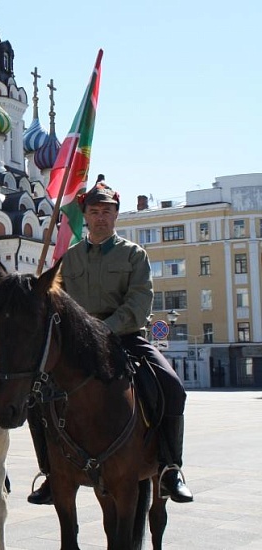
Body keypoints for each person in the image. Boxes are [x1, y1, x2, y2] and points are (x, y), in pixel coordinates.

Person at [26, 178, 193, 505]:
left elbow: (139, 302)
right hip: (80, 348)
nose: (101, 217)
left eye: (107, 211)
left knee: (172, 388)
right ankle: (50, 472)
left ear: (116, 216)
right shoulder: (69, 260)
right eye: (94, 211)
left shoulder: (133, 255)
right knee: (37, 396)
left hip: (126, 339)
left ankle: (170, 468)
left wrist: (104, 328)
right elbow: (59, 304)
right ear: (85, 216)